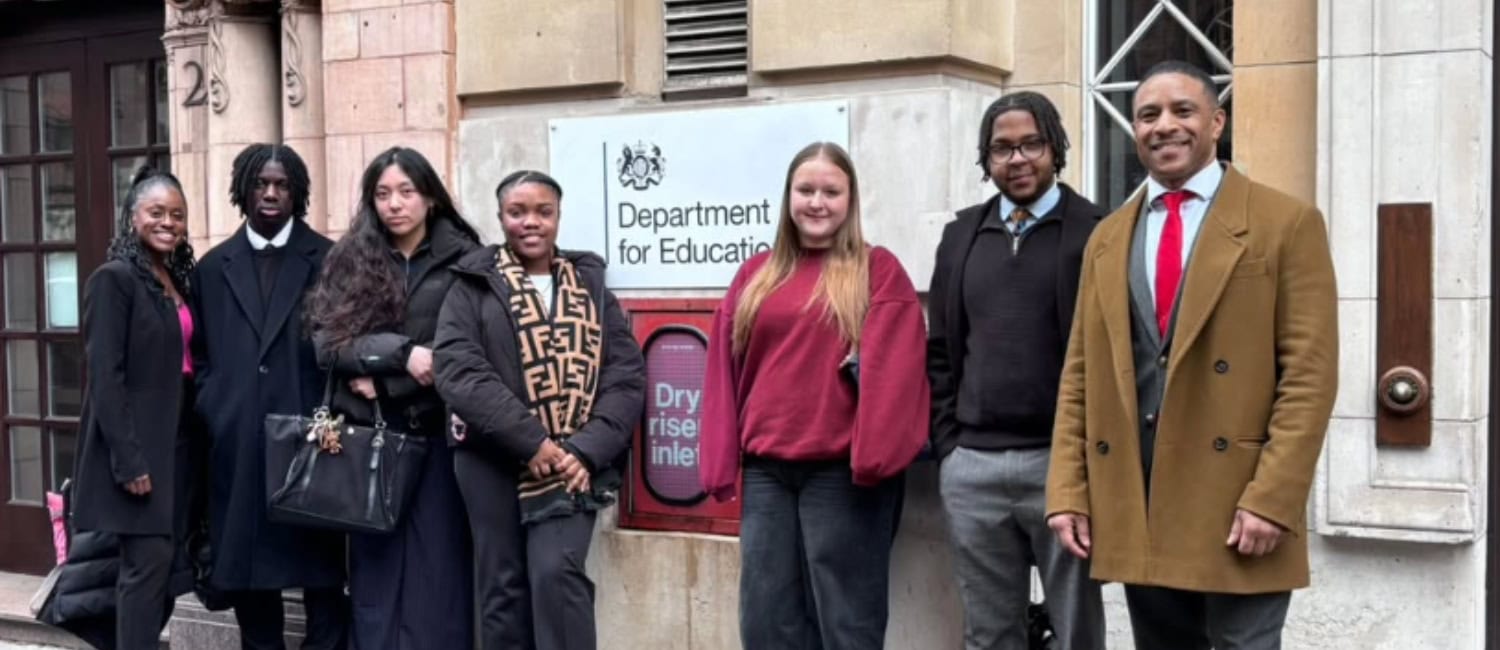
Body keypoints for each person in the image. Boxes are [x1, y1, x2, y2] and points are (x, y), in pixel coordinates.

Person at [1045, 60, 1338, 650]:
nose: (1164, 126)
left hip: (1238, 501)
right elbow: (1080, 374)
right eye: (1148, 114)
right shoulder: (1107, 236)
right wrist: (1068, 492)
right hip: (1138, 494)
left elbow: (1309, 376)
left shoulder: (1285, 223)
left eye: (1183, 110)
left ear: (1216, 122)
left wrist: (1273, 500)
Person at [699, 142, 929, 650]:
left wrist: (875, 452)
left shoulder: (878, 270)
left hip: (842, 472)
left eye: (831, 191)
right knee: (766, 620)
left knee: (847, 621)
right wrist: (719, 461)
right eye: (806, 190)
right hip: (767, 471)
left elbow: (900, 368)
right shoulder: (757, 273)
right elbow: (723, 368)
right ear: (788, 197)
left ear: (850, 200)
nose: (817, 202)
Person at [434, 170, 645, 650]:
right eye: (517, 212)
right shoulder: (472, 285)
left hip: (572, 465)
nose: (531, 223)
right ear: (501, 217)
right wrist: (532, 441)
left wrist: (586, 450)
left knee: (557, 575)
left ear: (558, 216)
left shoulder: (589, 286)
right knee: (501, 585)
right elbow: (460, 371)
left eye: (543, 212)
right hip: (489, 459)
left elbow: (625, 376)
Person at [928, 91, 1106, 650]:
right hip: (973, 466)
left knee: (1075, 631)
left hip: (1062, 468)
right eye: (1002, 148)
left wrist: (1085, 461)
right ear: (987, 160)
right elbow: (941, 350)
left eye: (1031, 143)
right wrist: (949, 444)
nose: (1018, 158)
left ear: (1055, 148)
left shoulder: (1097, 231)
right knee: (988, 634)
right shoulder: (962, 237)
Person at [305, 146, 480, 649]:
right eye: (382, 194)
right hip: (370, 446)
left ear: (429, 196)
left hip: (440, 443)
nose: (394, 204)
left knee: (439, 575)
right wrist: (404, 355)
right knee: (375, 574)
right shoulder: (350, 259)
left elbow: (465, 355)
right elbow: (327, 346)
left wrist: (384, 379)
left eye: (406, 191)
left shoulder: (465, 260)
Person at [190, 143, 348, 649]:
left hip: (312, 441)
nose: (271, 193)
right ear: (243, 191)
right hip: (240, 444)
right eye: (261, 183)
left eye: (282, 184)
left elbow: (346, 341)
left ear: (298, 190)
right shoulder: (213, 267)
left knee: (322, 575)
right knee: (250, 576)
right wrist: (217, 405)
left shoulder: (328, 259)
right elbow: (203, 353)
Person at [71, 166, 198, 649]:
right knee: (145, 571)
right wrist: (128, 461)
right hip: (138, 455)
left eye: (177, 215)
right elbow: (105, 377)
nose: (168, 222)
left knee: (164, 570)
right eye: (156, 212)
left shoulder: (172, 278)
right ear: (132, 218)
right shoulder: (114, 280)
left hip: (179, 446)